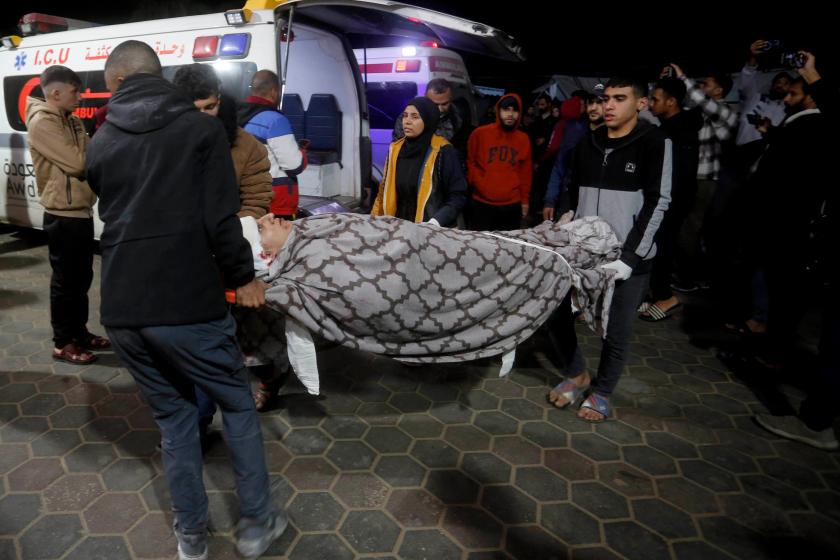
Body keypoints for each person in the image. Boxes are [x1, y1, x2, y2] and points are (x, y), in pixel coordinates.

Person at [85, 40, 285, 560]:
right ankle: (257, 523)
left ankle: (191, 538)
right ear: (159, 76)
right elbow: (219, 217)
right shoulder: (200, 131)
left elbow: (111, 209)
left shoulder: (101, 139)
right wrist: (244, 276)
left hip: (122, 306)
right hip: (187, 300)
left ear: (115, 83)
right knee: (236, 402)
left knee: (174, 420)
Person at [547, 76, 672, 422]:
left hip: (629, 258)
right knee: (556, 312)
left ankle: (601, 392)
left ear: (641, 104)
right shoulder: (588, 142)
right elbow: (572, 190)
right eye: (606, 99)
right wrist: (565, 224)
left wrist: (630, 257)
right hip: (585, 253)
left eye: (620, 98)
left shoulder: (655, 142)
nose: (609, 106)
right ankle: (576, 373)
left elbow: (658, 201)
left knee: (616, 331)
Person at [25, 65, 110, 365]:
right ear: (56, 93)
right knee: (65, 282)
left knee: (81, 279)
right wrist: (90, 157)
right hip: (61, 214)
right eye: (75, 91)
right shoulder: (42, 122)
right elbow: (78, 163)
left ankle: (79, 332)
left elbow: (90, 154)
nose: (80, 96)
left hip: (80, 211)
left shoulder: (71, 119)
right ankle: (63, 343)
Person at [638, 77, 701, 321]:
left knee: (663, 248)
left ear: (671, 102)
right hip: (663, 199)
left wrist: (667, 203)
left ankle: (666, 297)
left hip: (672, 201)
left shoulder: (682, 131)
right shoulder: (668, 127)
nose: (651, 103)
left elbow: (681, 174)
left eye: (656, 99)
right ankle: (654, 293)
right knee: (655, 247)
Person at [173, 64, 272, 219]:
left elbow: (256, 202)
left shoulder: (247, 146)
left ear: (218, 100)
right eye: (194, 110)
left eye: (210, 107)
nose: (203, 117)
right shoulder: (159, 140)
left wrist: (230, 230)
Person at [371, 96, 466, 226]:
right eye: (405, 116)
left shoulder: (443, 152)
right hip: (397, 226)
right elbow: (383, 193)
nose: (407, 121)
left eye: (415, 117)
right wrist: (373, 222)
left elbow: (457, 196)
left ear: (428, 120)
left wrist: (435, 222)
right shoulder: (396, 149)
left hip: (430, 229)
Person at [237, 70, 306, 219]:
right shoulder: (275, 121)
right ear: (274, 91)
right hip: (275, 201)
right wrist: (303, 152)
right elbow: (294, 165)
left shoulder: (236, 115)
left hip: (248, 199)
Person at [466, 94, 532, 230]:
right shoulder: (480, 134)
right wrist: (479, 183)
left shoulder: (523, 139)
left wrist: (525, 201)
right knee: (480, 242)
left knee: (506, 243)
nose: (510, 114)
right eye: (506, 109)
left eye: (515, 110)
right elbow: (470, 162)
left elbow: (525, 173)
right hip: (482, 203)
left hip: (511, 205)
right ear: (498, 110)